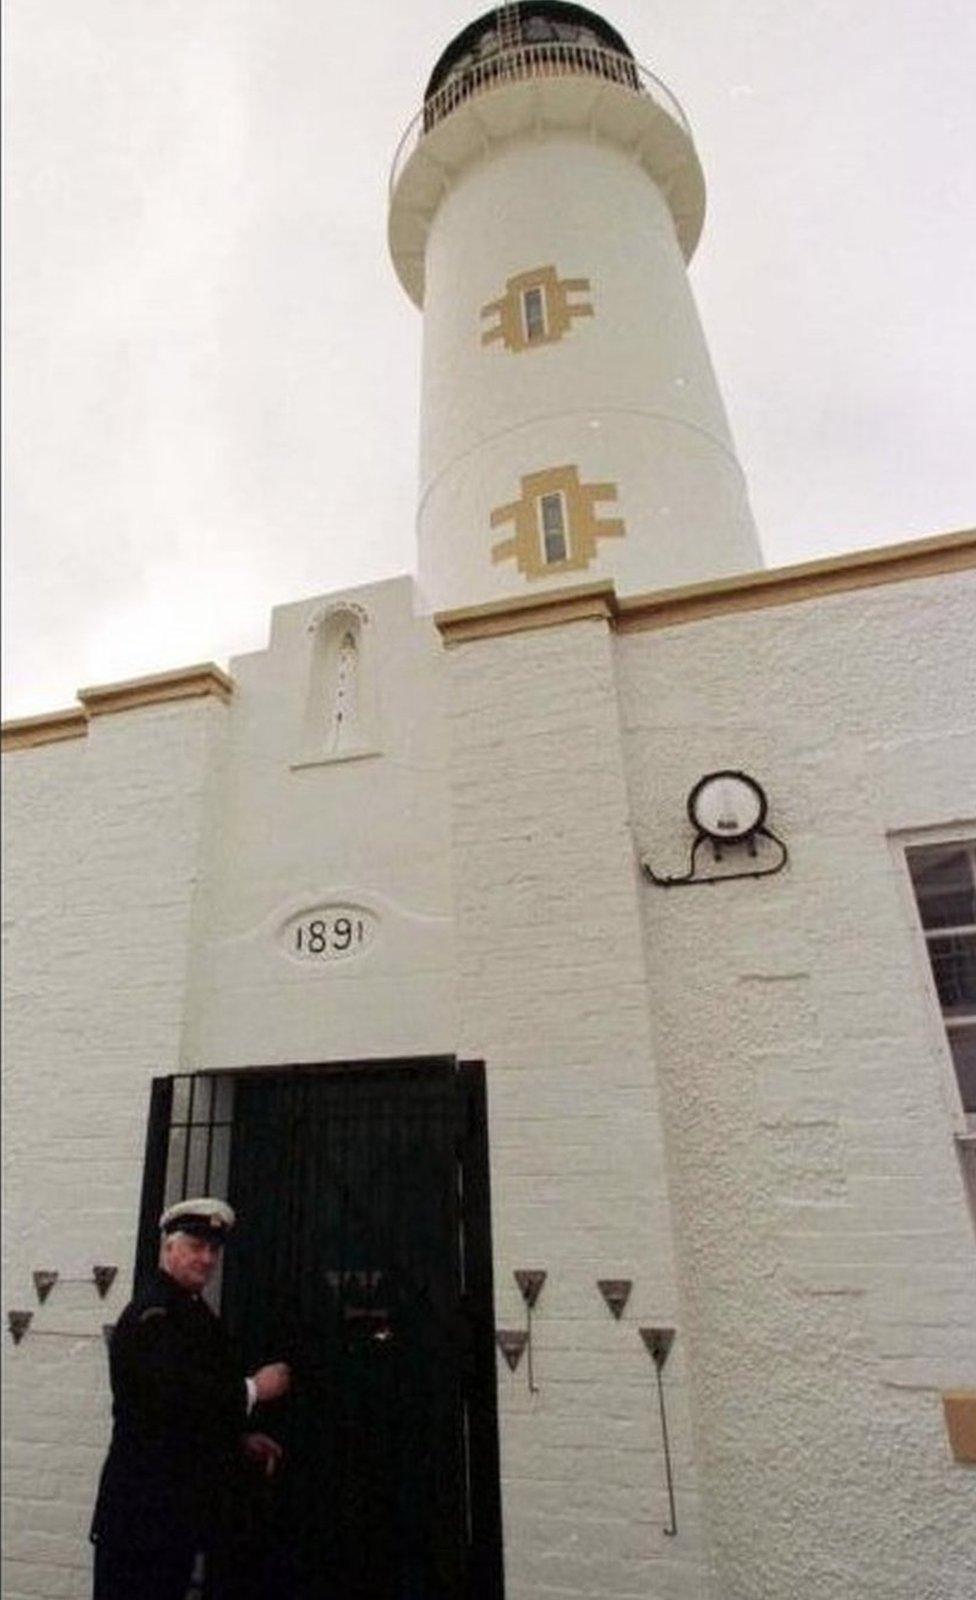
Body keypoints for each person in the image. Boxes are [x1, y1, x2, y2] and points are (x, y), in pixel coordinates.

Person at [90, 1198, 291, 1600]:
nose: (207, 1259)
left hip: (173, 1516)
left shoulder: (193, 1314)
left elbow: (185, 1423)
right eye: (196, 1247)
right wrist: (253, 1389)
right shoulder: (154, 1314)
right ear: (168, 1248)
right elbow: (172, 1398)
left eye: (214, 1250)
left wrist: (237, 1441)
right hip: (141, 1519)